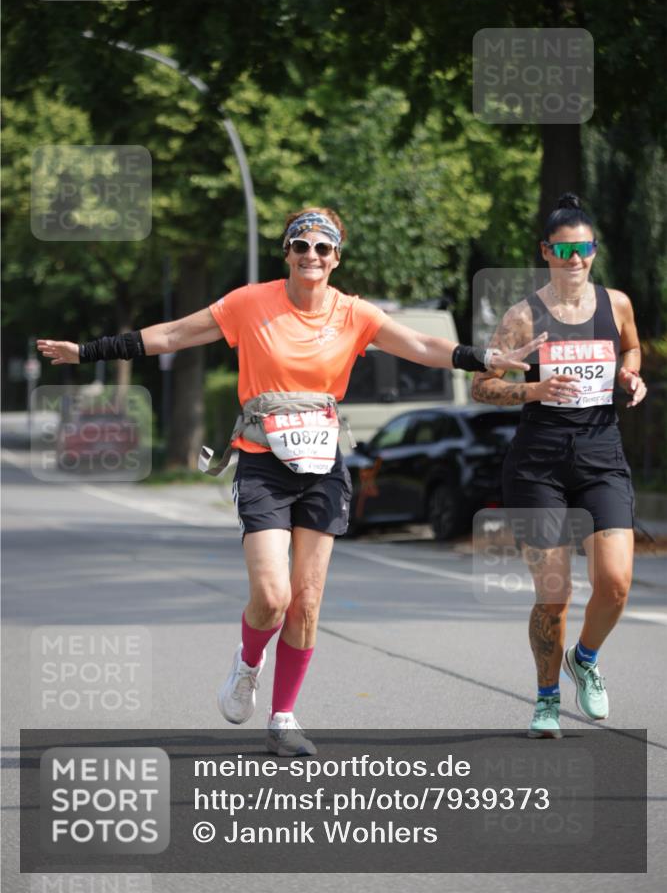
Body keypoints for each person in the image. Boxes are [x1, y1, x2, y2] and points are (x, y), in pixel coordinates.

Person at [37, 206, 544, 755]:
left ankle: (282, 716)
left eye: (323, 249)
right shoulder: (249, 303)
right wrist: (88, 351)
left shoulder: (355, 314)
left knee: (306, 601)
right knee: (272, 596)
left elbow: (423, 347)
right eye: (301, 246)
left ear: (336, 259)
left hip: (324, 464)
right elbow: (174, 335)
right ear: (287, 254)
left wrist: (485, 356)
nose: (311, 256)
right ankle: (248, 662)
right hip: (263, 460)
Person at [471, 193, 646, 739]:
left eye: (584, 247)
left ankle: (585, 659)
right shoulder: (523, 316)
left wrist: (629, 376)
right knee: (555, 592)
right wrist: (535, 388)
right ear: (546, 252)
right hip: (538, 462)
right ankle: (546, 699)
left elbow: (633, 349)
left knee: (615, 582)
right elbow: (481, 385)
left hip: (601, 454)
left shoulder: (615, 304)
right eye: (564, 248)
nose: (574, 258)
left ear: (594, 250)